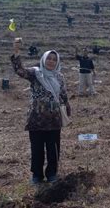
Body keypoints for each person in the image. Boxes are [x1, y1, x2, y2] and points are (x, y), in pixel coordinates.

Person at [11, 39, 71, 184]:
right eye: (49, 59)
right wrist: (16, 52)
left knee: (53, 148)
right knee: (37, 149)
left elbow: (63, 94)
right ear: (43, 59)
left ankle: (52, 174)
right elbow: (20, 71)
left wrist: (68, 106)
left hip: (53, 119)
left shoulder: (59, 76)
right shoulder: (35, 73)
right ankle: (37, 175)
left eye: (54, 59)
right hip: (37, 118)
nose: (51, 61)